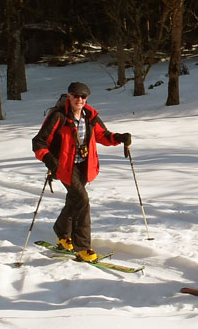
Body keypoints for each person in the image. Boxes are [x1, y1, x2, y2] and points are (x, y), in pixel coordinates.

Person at [31, 82, 132, 262]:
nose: (79, 99)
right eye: (75, 95)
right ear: (68, 96)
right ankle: (83, 248)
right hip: (64, 168)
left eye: (83, 96)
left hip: (84, 166)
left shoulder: (90, 116)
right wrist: (50, 160)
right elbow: (39, 142)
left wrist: (120, 138)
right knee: (82, 201)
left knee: (74, 201)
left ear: (87, 98)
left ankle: (62, 235)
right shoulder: (58, 116)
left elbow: (102, 135)